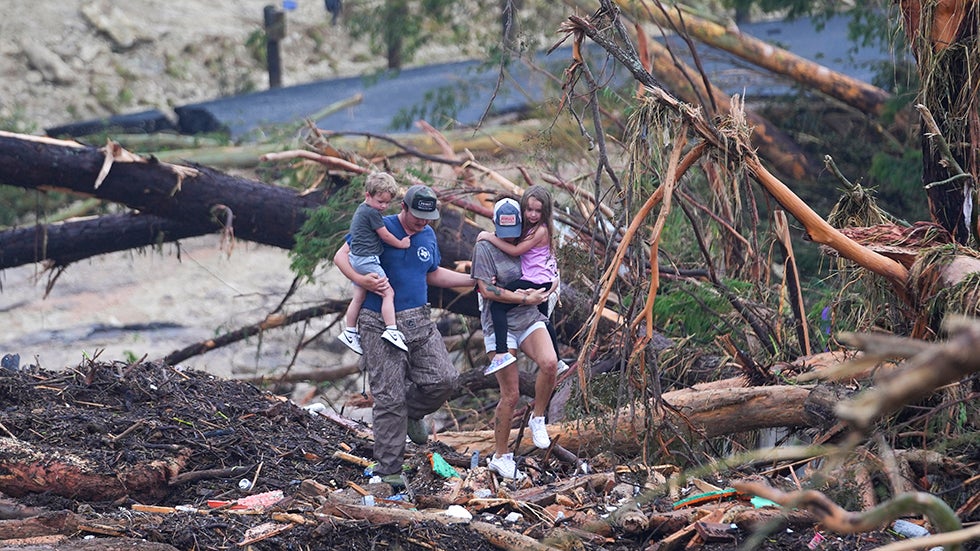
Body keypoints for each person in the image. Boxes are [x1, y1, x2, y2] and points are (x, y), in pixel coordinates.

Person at [332, 184, 473, 486]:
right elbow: (341, 256)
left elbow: (432, 272)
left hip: (419, 319)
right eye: (417, 216)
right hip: (377, 321)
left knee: (444, 379)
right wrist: (360, 279)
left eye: (428, 217)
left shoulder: (428, 235)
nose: (422, 222)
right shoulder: (378, 223)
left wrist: (470, 279)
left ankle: (412, 413)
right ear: (404, 207)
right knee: (388, 396)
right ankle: (389, 471)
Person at [471, 197, 559, 480]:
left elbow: (545, 264)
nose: (509, 236)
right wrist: (523, 296)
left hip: (528, 316)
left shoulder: (529, 235)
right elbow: (485, 289)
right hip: (500, 324)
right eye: (503, 232)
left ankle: (538, 418)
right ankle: (500, 456)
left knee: (550, 363)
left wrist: (552, 283)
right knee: (511, 393)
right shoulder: (484, 247)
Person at [477, 185, 565, 376]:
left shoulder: (540, 231)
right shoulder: (532, 229)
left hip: (536, 280)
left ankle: (501, 353)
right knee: (543, 319)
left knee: (497, 307)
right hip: (543, 279)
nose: (533, 215)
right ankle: (558, 362)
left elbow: (515, 251)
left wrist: (488, 236)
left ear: (546, 211)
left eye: (538, 211)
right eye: (529, 209)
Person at [337, 172, 411, 355]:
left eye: (387, 203)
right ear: (367, 195)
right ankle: (391, 329)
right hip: (366, 259)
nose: (384, 206)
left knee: (359, 295)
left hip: (356, 258)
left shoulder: (363, 209)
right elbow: (384, 235)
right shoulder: (372, 213)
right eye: (380, 201)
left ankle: (350, 330)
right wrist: (401, 243)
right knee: (388, 292)